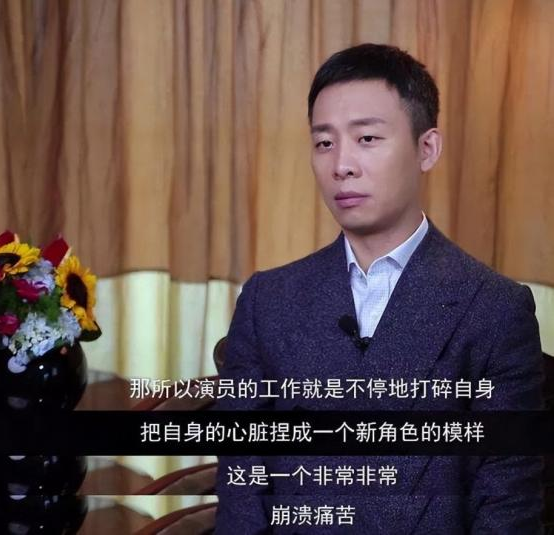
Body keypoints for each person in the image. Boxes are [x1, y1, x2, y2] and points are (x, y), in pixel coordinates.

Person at [215, 44, 544, 534]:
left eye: (367, 138)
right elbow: (242, 484)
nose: (341, 165)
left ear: (427, 149)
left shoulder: (495, 308)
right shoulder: (268, 300)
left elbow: (507, 504)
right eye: (324, 143)